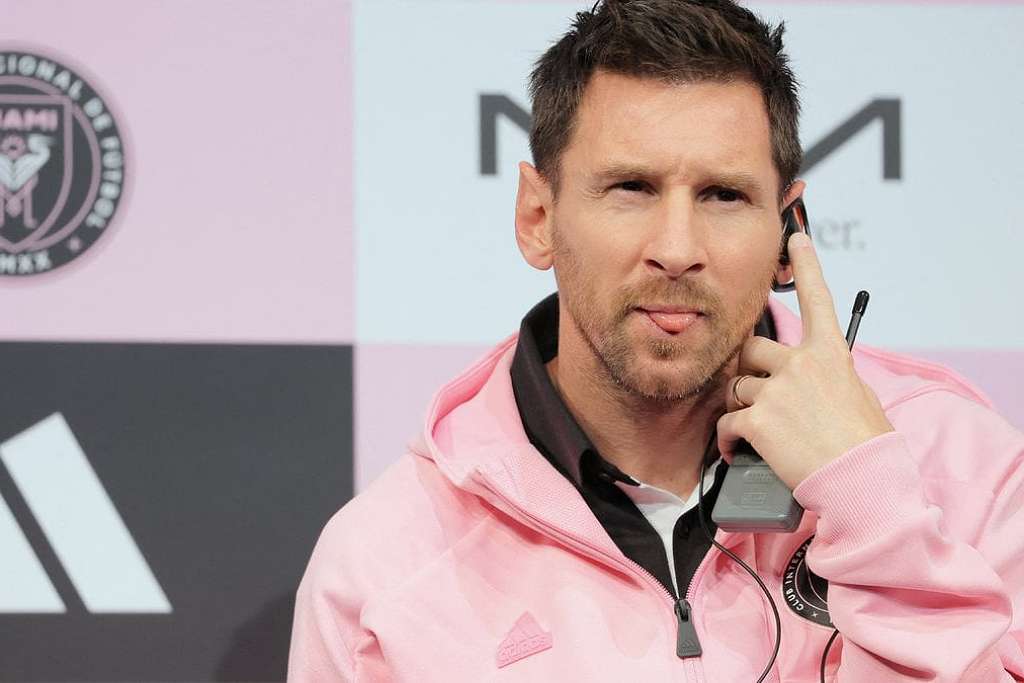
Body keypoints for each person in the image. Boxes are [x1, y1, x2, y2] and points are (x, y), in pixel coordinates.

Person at [287, 1, 1024, 680]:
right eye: (631, 188)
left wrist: (871, 503)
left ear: (788, 231)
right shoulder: (384, 568)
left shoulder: (964, 471)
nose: (676, 249)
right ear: (537, 217)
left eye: (723, 195)